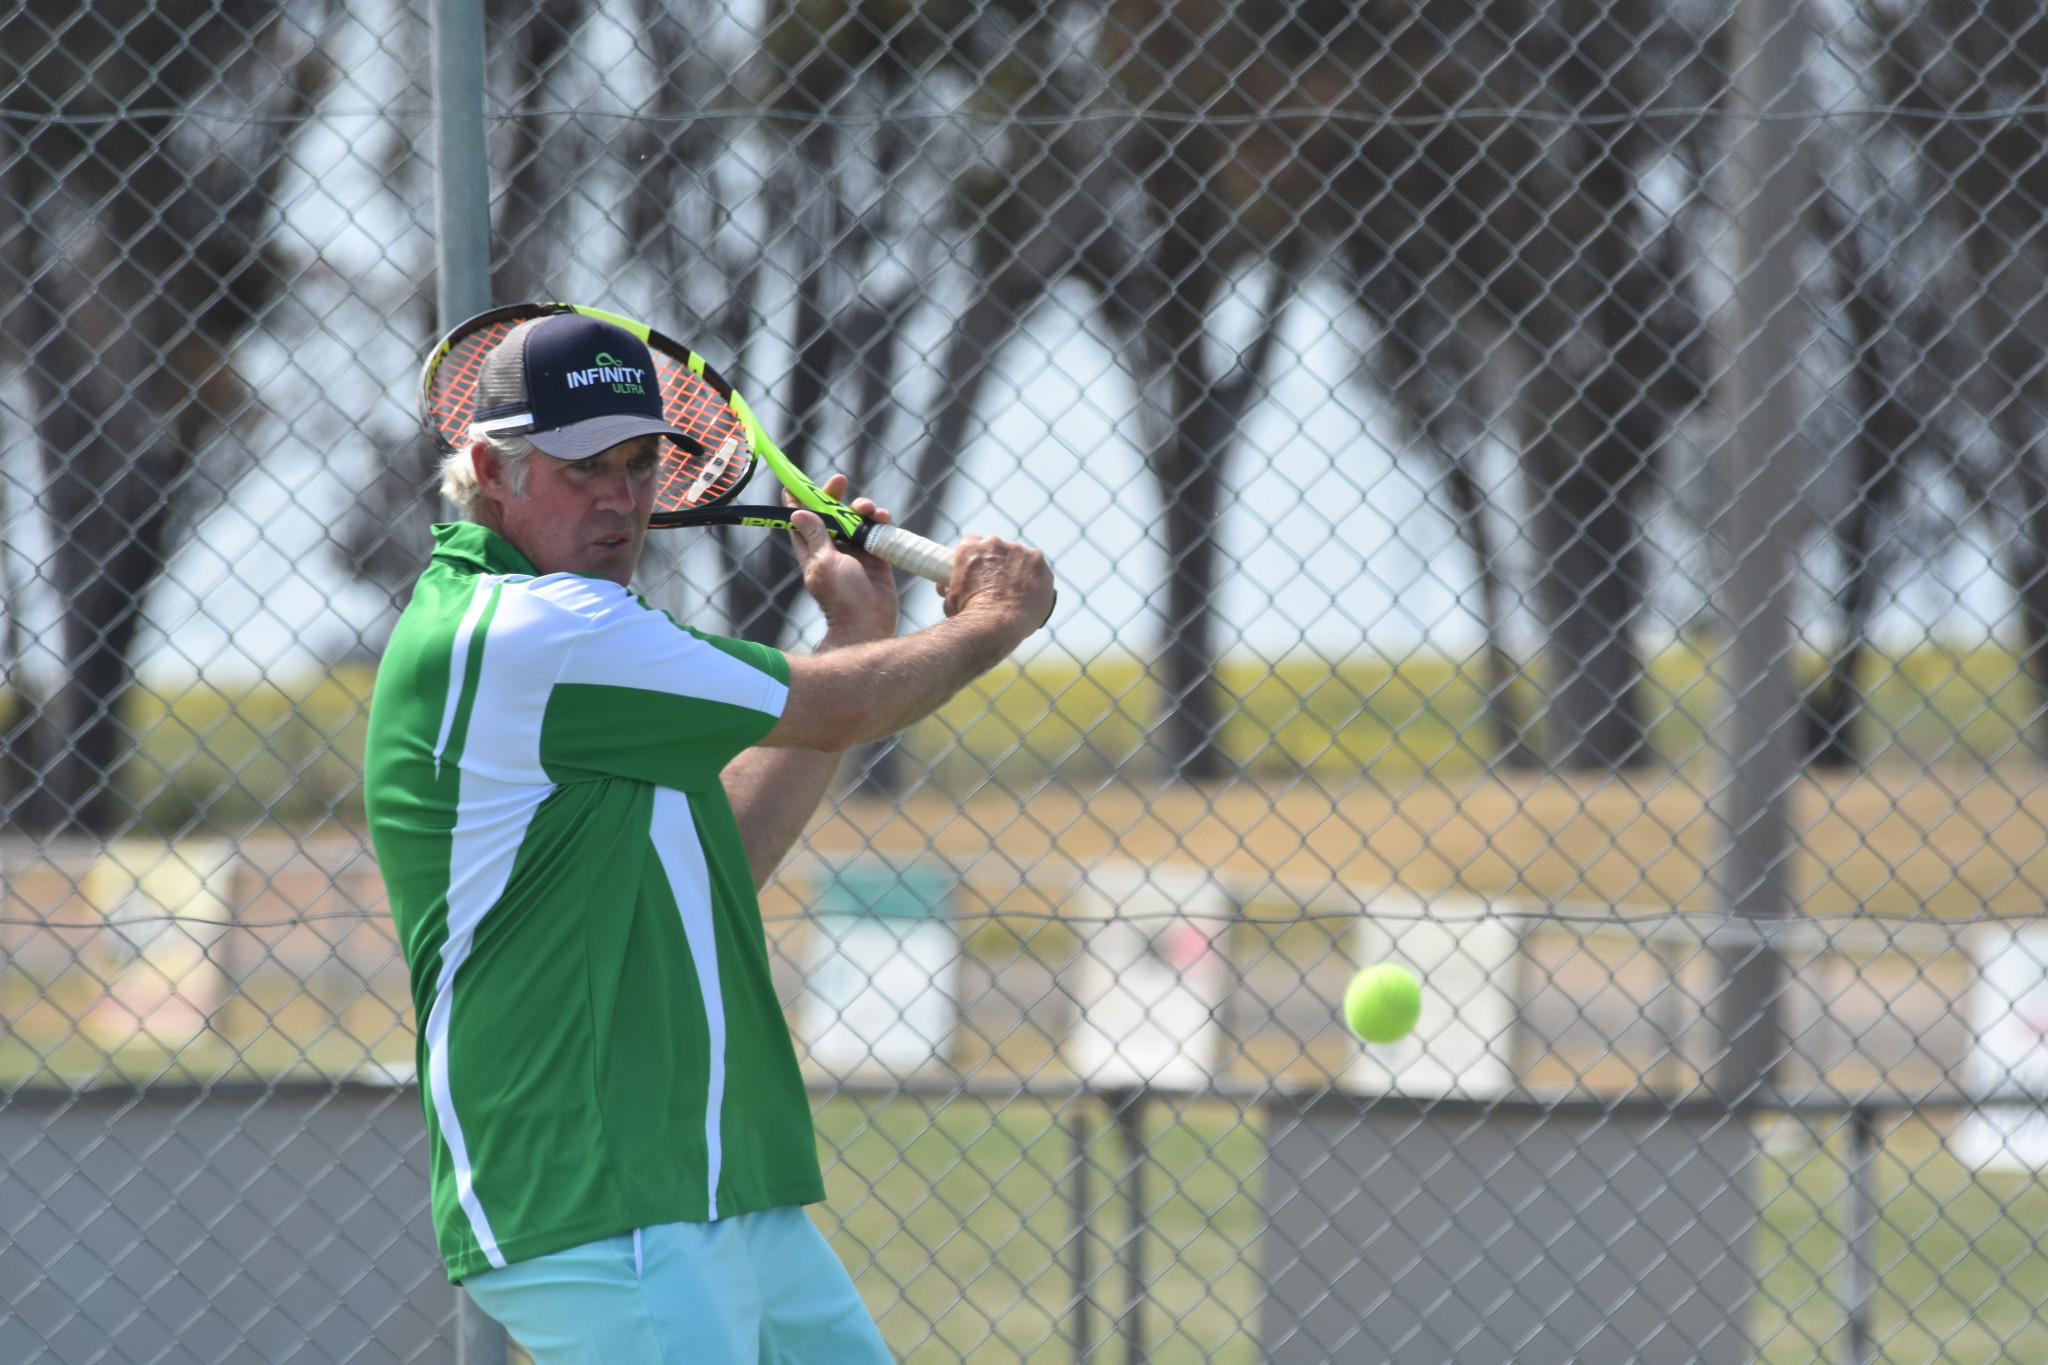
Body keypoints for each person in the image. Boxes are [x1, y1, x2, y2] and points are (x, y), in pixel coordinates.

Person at [363, 311, 1053, 1364]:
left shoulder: (597, 653)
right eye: (584, 463)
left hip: (719, 1189)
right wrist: (989, 620)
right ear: (490, 467)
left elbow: (715, 859)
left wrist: (858, 636)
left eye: (640, 461)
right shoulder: (523, 633)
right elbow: (836, 711)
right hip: (597, 1196)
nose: (622, 496)